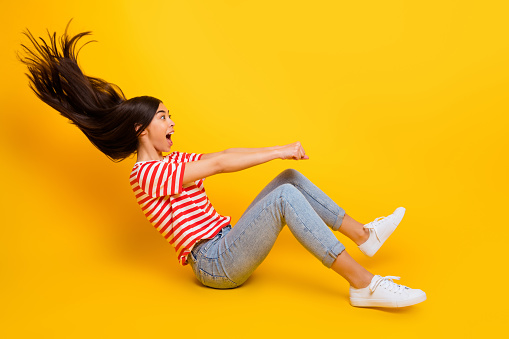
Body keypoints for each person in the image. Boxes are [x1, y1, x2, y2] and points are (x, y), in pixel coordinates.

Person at [19, 22, 426, 308]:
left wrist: (279, 151)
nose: (172, 122)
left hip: (228, 243)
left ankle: (365, 235)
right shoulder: (146, 175)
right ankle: (363, 285)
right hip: (215, 263)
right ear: (142, 129)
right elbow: (217, 168)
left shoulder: (172, 160)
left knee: (287, 178)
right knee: (284, 195)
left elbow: (220, 157)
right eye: (163, 117)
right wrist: (277, 148)